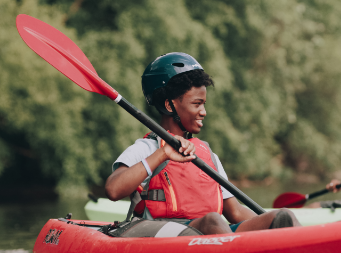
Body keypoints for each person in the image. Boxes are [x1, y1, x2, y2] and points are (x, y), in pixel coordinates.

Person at [105, 52, 301, 235]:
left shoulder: (207, 154)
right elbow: (113, 190)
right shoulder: (147, 148)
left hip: (210, 234)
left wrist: (272, 227)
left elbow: (234, 212)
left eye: (204, 104)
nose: (204, 112)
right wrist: (163, 154)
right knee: (213, 221)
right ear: (169, 105)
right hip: (159, 233)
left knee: (283, 216)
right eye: (196, 104)